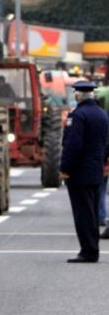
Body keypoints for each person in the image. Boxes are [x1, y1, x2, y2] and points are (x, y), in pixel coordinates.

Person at [59, 80, 109, 263]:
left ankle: (88, 251)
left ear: (78, 95)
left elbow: (72, 145)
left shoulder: (78, 116)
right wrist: (101, 161)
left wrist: (65, 168)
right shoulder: (102, 115)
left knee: (83, 214)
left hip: (79, 173)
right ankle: (92, 248)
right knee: (93, 213)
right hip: (96, 171)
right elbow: (106, 143)